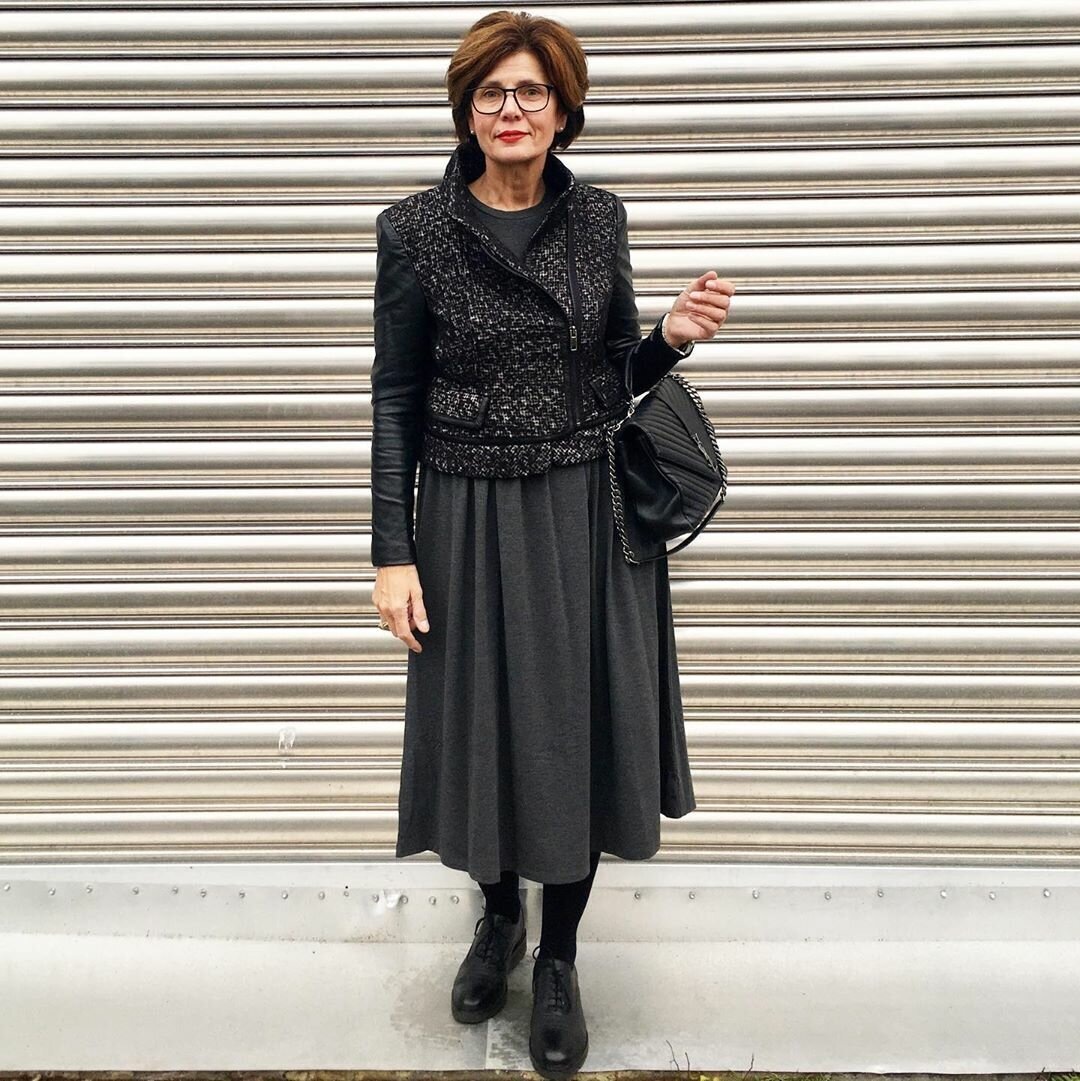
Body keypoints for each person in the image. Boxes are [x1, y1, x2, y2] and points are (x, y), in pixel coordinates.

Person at [369, 10, 733, 1078]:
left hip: (583, 512)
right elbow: (394, 397)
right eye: (491, 93)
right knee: (482, 726)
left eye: (531, 92)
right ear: (466, 111)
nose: (511, 111)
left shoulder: (599, 219)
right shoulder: (413, 230)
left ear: (564, 110)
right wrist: (392, 551)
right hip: (469, 512)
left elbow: (611, 378)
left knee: (575, 732)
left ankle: (561, 954)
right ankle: (497, 918)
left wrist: (665, 341)